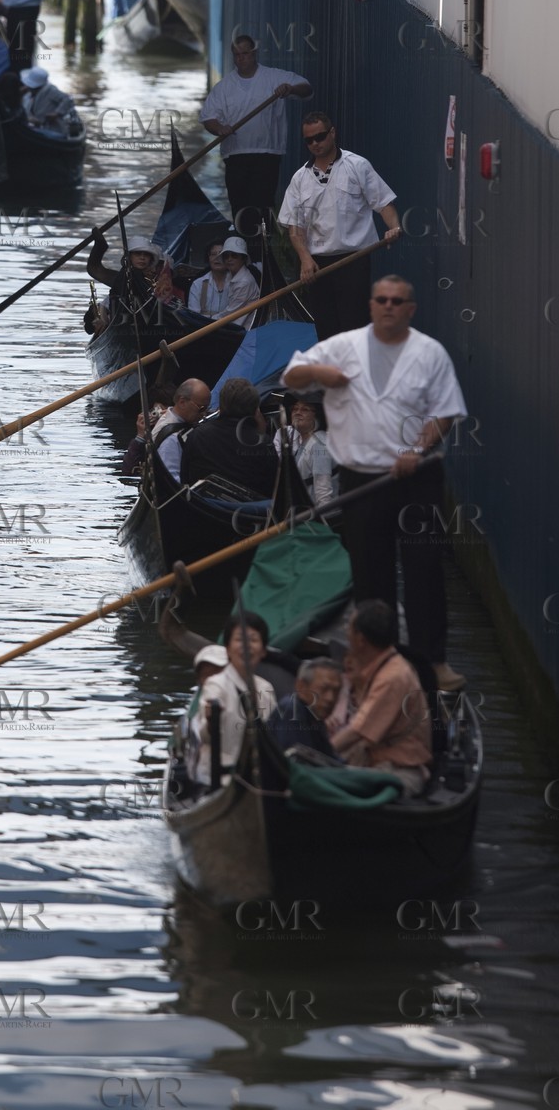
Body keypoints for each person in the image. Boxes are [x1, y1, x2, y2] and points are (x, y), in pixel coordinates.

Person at [282, 275, 468, 690]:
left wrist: (416, 451)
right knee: (369, 574)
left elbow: (445, 412)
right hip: (361, 478)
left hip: (416, 476)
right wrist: (322, 374)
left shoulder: (429, 353)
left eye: (396, 301)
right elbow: (292, 376)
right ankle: (375, 661)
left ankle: (432, 663)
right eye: (381, 299)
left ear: (409, 310)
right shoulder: (342, 347)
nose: (388, 306)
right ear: (371, 306)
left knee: (424, 569)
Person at [278, 112, 401, 338]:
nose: (315, 143)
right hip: (317, 265)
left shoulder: (357, 165)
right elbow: (295, 227)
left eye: (320, 136)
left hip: (354, 260)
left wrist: (393, 227)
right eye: (309, 140)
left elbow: (384, 203)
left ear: (332, 133)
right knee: (326, 331)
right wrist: (305, 259)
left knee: (354, 327)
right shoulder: (299, 178)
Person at [199, 35, 312, 249]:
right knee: (240, 207)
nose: (241, 58)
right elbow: (208, 118)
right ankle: (242, 250)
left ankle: (262, 251)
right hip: (235, 155)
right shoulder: (224, 87)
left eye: (245, 53)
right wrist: (219, 128)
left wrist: (290, 89)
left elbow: (306, 88)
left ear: (254, 53)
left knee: (263, 205)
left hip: (267, 154)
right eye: (237, 55)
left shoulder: (274, 77)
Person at [331, 601, 433, 796]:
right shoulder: (382, 667)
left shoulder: (392, 677)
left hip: (397, 770)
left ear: (360, 639)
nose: (346, 633)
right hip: (375, 762)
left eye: (349, 629)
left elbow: (358, 730)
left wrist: (321, 751)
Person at [195, 612, 277, 787]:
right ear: (227, 649)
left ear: (263, 651)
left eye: (253, 640)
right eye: (240, 640)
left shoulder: (266, 688)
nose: (246, 646)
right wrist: (211, 721)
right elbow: (205, 735)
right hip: (221, 777)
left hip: (260, 776)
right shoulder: (216, 685)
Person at [180, 378, 279, 500]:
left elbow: (184, 481)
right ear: (255, 410)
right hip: (246, 510)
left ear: (221, 406)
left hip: (202, 506)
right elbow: (273, 490)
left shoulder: (197, 436)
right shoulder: (264, 444)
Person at [87, 234, 183, 320]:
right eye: (138, 254)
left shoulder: (168, 291)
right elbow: (109, 302)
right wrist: (102, 315)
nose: (142, 258)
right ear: (130, 257)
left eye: (146, 255)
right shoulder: (124, 278)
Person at [265, 658, 342, 757]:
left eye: (336, 691)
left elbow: (330, 757)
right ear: (301, 686)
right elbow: (298, 761)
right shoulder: (291, 710)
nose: (330, 698)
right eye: (324, 688)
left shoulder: (315, 717)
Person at [275, 398, 335, 506]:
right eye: (295, 409)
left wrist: (324, 516)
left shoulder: (319, 444)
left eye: (305, 409)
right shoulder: (303, 441)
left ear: (317, 415)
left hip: (316, 512)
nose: (298, 412)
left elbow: (324, 493)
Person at [154, 378, 212, 483]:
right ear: (182, 402)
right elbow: (171, 480)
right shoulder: (171, 439)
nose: (204, 414)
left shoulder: (172, 419)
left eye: (207, 408)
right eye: (201, 409)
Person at [216, 236, 261, 328]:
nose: (229, 259)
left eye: (234, 255)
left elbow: (230, 313)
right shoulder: (229, 276)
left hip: (245, 331)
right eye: (226, 256)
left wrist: (207, 320)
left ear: (243, 258)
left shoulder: (244, 282)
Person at [19, 66, 77, 135]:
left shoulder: (51, 90)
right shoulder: (29, 93)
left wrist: (57, 113)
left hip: (52, 130)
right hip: (37, 126)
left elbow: (67, 99)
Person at [187, 240, 231, 319]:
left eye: (221, 254)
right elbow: (193, 315)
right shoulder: (198, 284)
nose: (217, 257)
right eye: (213, 254)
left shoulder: (236, 282)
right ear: (208, 258)